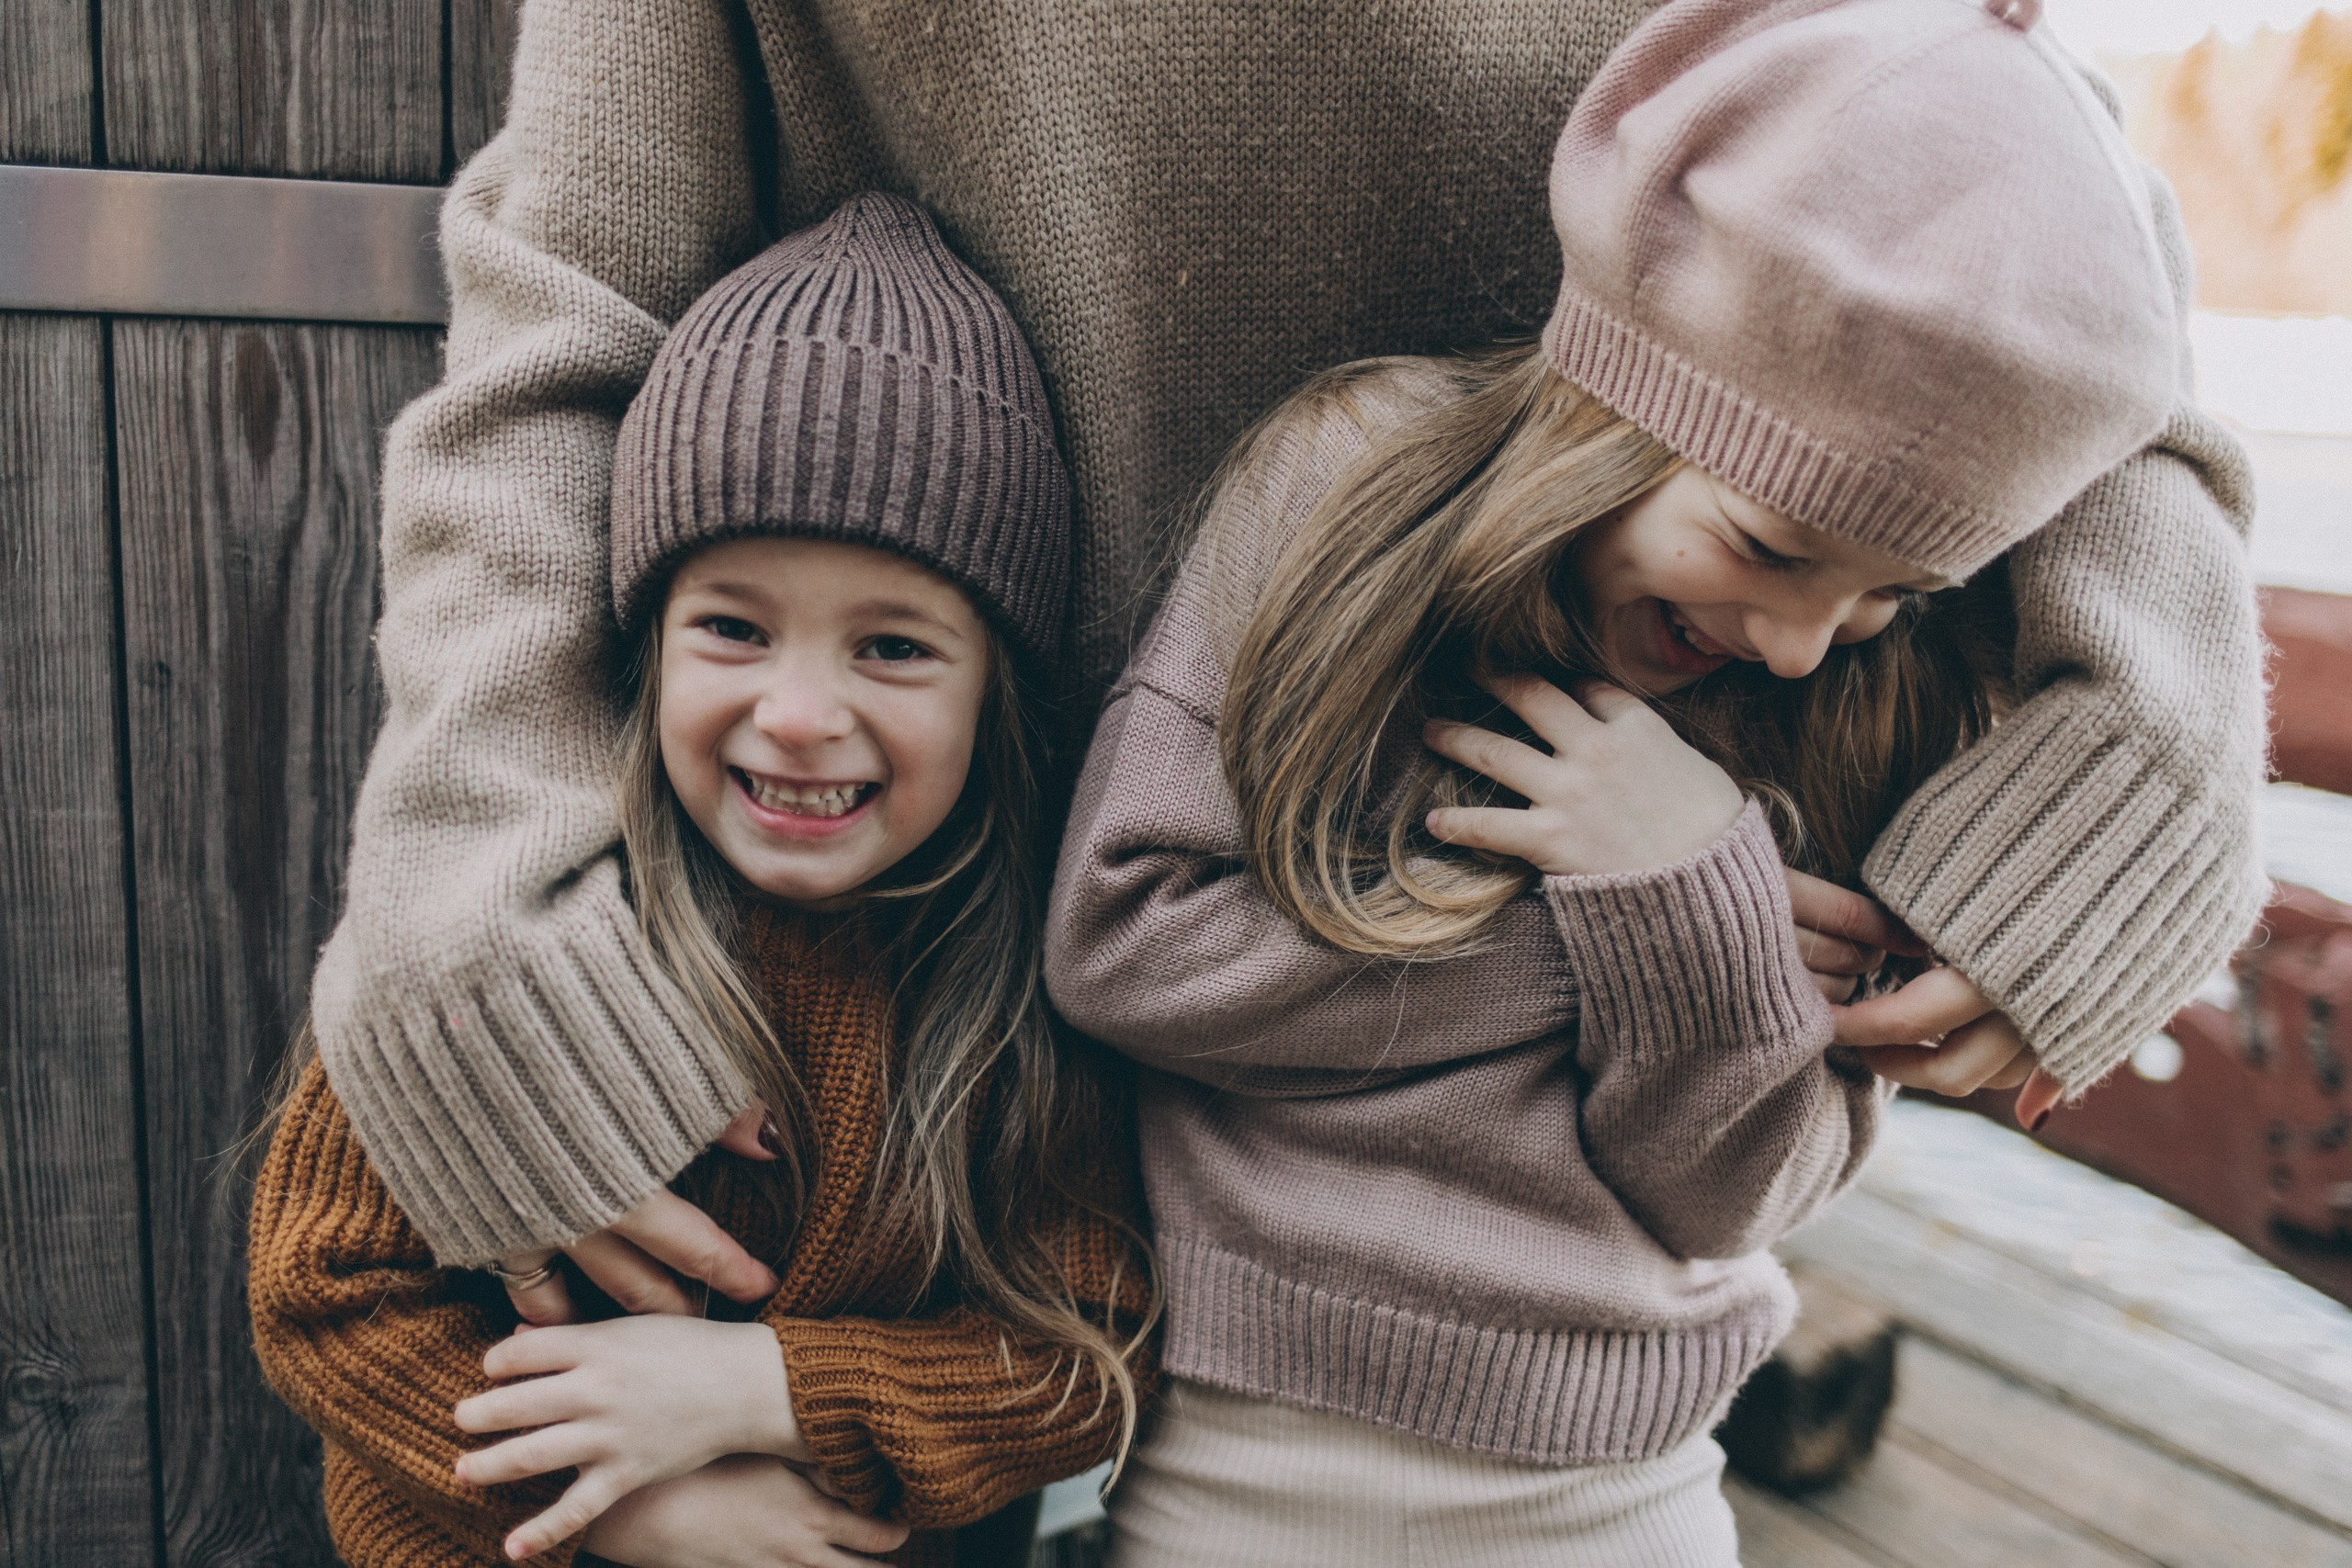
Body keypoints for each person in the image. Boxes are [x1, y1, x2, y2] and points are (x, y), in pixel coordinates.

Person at [308, 0, 2259, 1318]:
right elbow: (575, 292)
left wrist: (2145, 728)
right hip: (914, 1005)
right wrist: (481, 863)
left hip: (1532, 1068)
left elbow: (2008, 201)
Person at [1040, 1, 2263, 1562]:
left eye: (1890, 595)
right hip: (1240, 1473)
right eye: (1768, 547)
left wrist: (1689, 896)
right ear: (1619, 398)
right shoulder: (1343, 491)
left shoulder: (1846, 702)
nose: (1806, 643)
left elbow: (1728, 1198)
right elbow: (1129, 947)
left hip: (1629, 1501)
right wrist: (1601, 926)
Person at [249, 194, 1156, 1568]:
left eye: (894, 648)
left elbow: (1085, 1350)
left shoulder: (1011, 990)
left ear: (998, 697)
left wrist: (770, 1391)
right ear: (647, 647)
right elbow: (326, 1289)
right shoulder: (507, 930)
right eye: (733, 626)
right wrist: (623, 1509)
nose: (798, 714)